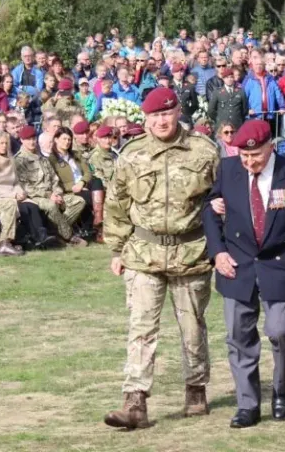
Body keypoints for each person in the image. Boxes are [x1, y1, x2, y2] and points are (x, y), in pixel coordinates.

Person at [103, 87, 220, 430]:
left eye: (166, 114)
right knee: (141, 328)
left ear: (178, 111)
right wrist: (116, 248)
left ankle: (195, 388)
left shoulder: (205, 150)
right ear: (146, 118)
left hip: (191, 251)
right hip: (143, 253)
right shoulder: (132, 153)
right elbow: (117, 202)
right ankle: (135, 401)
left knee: (192, 327)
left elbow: (222, 197)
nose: (161, 121)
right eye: (154, 116)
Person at [202, 119, 285, 428]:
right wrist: (218, 253)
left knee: (280, 330)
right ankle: (248, 405)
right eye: (243, 156)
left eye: (255, 156)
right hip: (236, 266)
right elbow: (210, 212)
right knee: (239, 337)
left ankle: (282, 388)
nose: (249, 162)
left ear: (272, 146)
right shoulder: (228, 170)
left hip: (279, 265)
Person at [15, 125, 86, 246]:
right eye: (28, 139)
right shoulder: (19, 160)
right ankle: (69, 236)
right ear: (22, 140)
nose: (32, 142)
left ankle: (55, 231)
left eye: (33, 138)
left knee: (78, 201)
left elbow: (54, 179)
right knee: (51, 205)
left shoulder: (42, 158)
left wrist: (57, 193)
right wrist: (49, 195)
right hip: (36, 197)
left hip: (53, 193)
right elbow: (25, 187)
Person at [48, 127, 93, 235]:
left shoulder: (76, 154)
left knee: (98, 185)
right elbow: (55, 181)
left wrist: (82, 182)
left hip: (83, 185)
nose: (67, 142)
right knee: (88, 196)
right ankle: (88, 228)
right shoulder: (51, 159)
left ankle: (95, 226)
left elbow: (88, 172)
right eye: (64, 139)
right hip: (68, 191)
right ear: (56, 139)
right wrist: (74, 187)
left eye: (69, 139)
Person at [88, 125, 117, 243]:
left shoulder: (114, 154)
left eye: (109, 137)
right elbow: (98, 176)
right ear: (98, 139)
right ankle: (100, 229)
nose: (108, 140)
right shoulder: (95, 156)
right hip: (103, 188)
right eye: (104, 138)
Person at [207, 68, 248, 132]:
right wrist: (219, 118)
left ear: (233, 78)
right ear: (223, 79)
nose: (229, 79)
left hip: (237, 125)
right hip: (222, 126)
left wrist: (238, 118)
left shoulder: (241, 92)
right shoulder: (217, 92)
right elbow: (211, 110)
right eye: (226, 77)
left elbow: (244, 110)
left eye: (231, 77)